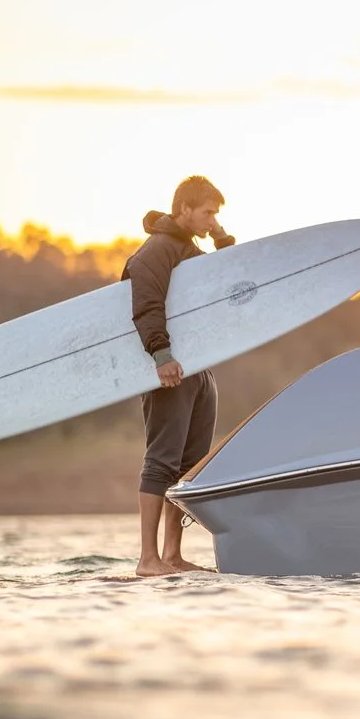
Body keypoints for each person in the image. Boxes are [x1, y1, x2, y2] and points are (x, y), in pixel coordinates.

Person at [126, 175, 234, 576]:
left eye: (216, 215)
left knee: (189, 466)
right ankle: (147, 559)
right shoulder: (157, 250)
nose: (211, 221)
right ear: (183, 208)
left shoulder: (189, 250)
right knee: (162, 461)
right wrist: (161, 354)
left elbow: (231, 281)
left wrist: (221, 235)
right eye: (207, 213)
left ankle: (172, 555)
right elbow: (147, 303)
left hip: (197, 368)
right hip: (168, 369)